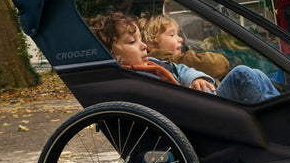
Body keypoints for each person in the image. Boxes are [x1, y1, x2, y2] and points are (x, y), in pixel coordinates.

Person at [91, 12, 278, 104]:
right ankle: (282, 120)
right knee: (242, 73)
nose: (143, 46)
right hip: (200, 110)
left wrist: (195, 77)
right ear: (113, 55)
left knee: (255, 73)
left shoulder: (152, 63)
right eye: (132, 42)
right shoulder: (132, 78)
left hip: (202, 98)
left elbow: (181, 70)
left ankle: (281, 110)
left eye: (141, 40)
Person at [139, 15, 230, 79]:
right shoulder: (167, 60)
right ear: (152, 45)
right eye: (172, 35)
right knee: (241, 71)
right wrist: (225, 62)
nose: (180, 39)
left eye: (178, 34)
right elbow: (212, 65)